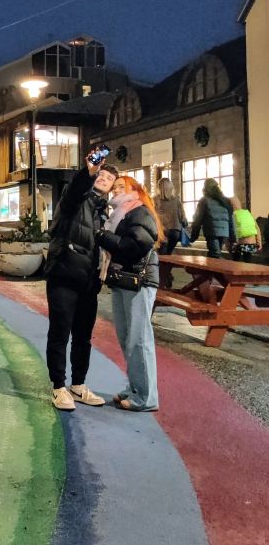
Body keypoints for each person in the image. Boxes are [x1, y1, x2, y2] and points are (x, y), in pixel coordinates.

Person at [43, 155, 118, 411]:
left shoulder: (103, 212)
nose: (105, 179)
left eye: (110, 179)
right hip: (64, 274)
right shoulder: (75, 200)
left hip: (88, 282)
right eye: (102, 175)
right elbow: (76, 188)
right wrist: (88, 170)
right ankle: (58, 387)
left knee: (83, 337)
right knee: (60, 333)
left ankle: (78, 385)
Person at [98, 175, 163, 413]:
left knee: (139, 339)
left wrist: (102, 236)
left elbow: (136, 245)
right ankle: (135, 388)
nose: (115, 191)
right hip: (123, 279)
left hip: (140, 280)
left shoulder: (139, 211)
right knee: (127, 337)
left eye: (120, 187)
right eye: (113, 188)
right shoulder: (119, 214)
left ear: (134, 190)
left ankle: (146, 397)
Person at [190, 179, 235, 258]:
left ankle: (216, 269)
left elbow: (198, 218)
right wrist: (233, 236)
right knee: (216, 252)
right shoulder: (225, 201)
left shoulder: (204, 200)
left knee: (215, 254)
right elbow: (231, 219)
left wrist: (194, 235)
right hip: (224, 232)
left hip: (212, 231)